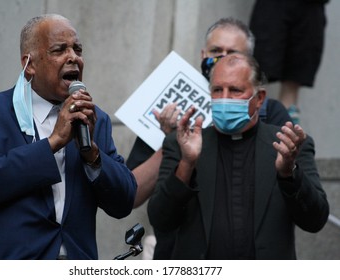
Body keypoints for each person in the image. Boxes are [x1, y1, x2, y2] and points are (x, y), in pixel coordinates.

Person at [0, 14, 137, 260]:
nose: (73, 57)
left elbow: (123, 202)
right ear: (29, 64)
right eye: (59, 50)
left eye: (77, 49)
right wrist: (51, 144)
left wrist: (92, 153)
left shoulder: (94, 119)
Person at [130, 17, 292, 260]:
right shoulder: (167, 102)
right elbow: (131, 195)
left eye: (232, 53)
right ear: (203, 54)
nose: (222, 59)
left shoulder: (271, 111)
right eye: (216, 51)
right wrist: (171, 143)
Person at [147, 52, 329, 259]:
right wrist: (187, 164)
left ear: (259, 98)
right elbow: (161, 220)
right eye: (217, 90)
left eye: (235, 90)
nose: (224, 99)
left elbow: (315, 221)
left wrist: (289, 174)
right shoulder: (181, 144)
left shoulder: (288, 146)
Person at [249, 0, 329, 124]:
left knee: (294, 78)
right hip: (273, 6)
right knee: (259, 72)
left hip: (310, 7)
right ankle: (254, 123)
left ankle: (286, 125)